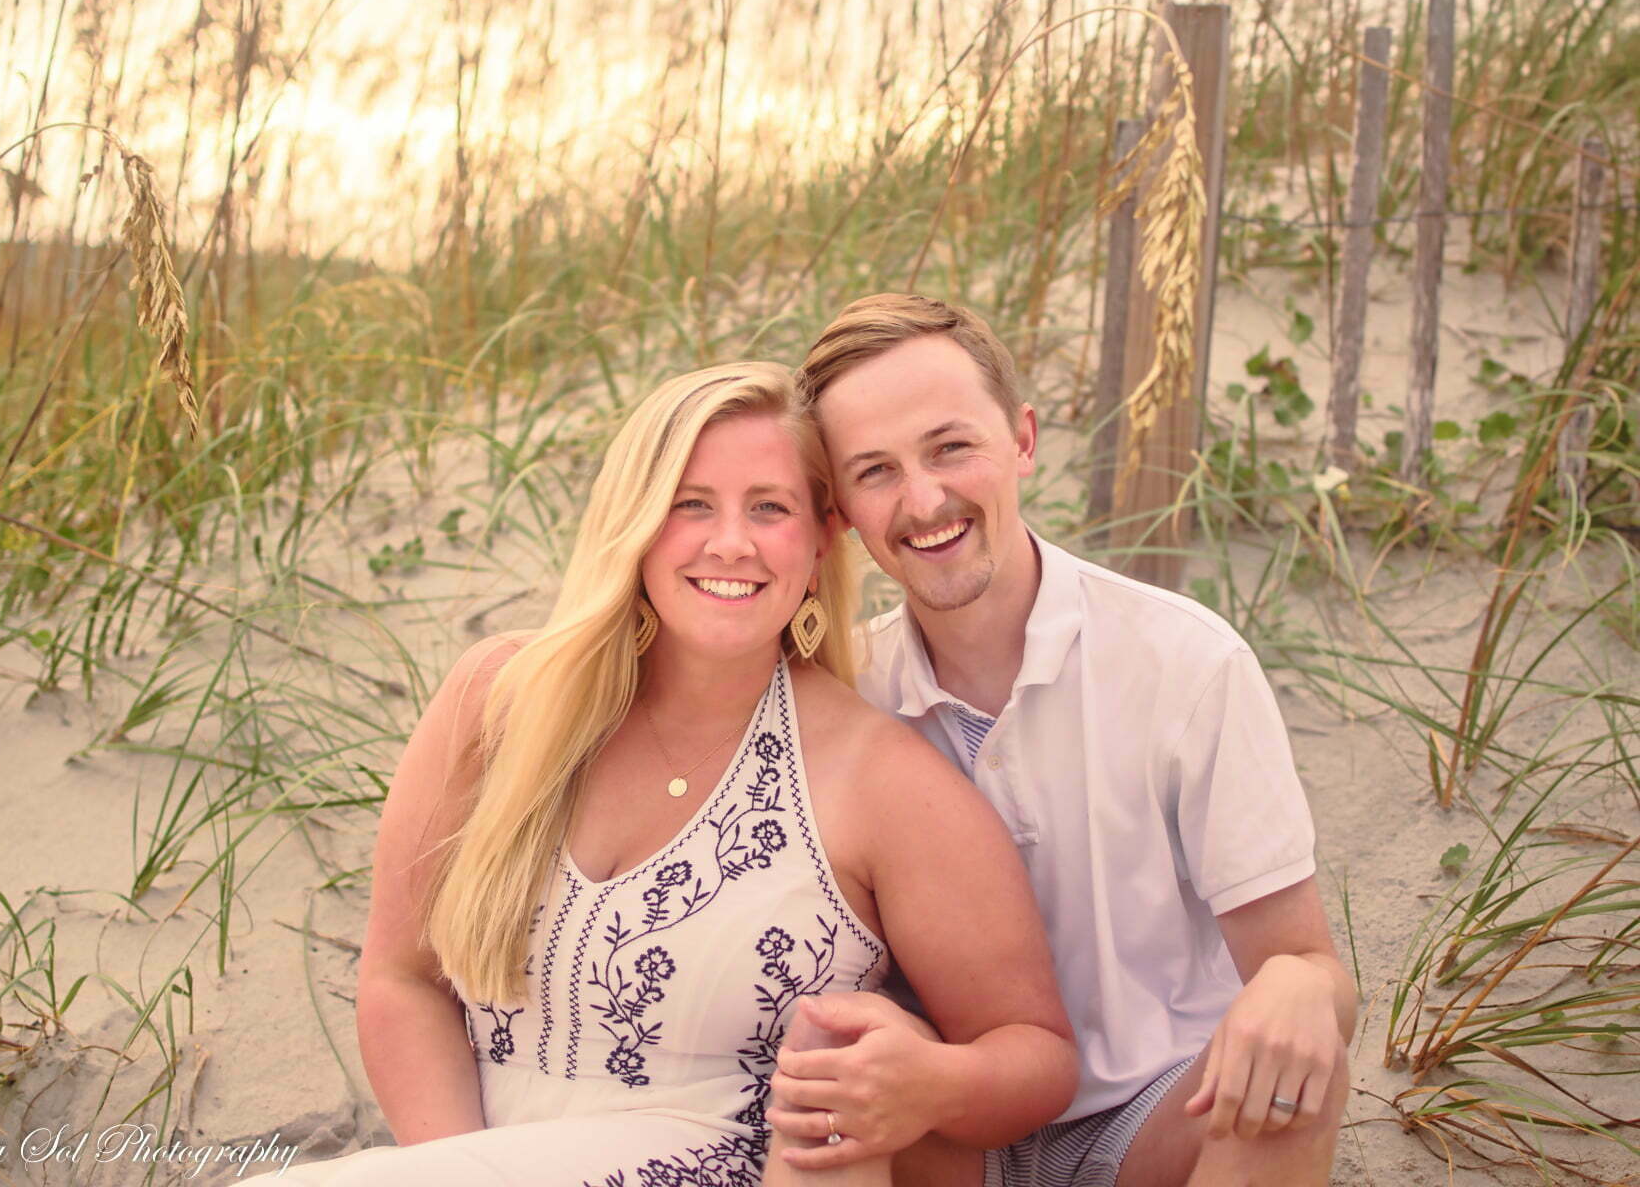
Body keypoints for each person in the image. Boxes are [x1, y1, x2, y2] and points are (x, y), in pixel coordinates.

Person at [249, 362, 1076, 1186]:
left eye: (770, 508)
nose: (731, 543)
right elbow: (404, 980)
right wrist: (459, 1167)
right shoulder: (496, 702)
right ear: (635, 520)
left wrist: (927, 1083)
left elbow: (1033, 1056)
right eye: (691, 504)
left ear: (822, 536)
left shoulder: (882, 780)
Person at [763, 295, 1357, 1187]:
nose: (924, 500)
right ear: (840, 510)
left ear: (1023, 441)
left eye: (951, 446)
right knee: (830, 1083)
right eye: (875, 471)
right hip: (952, 1117)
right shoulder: (845, 693)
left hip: (1155, 1105)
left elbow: (1307, 966)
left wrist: (1303, 988)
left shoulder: (1185, 662)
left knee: (1291, 1088)